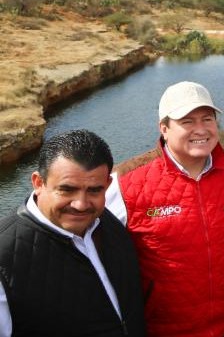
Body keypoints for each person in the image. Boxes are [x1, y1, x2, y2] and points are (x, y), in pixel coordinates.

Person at [106, 81, 224, 337]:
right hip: (164, 329)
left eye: (207, 119)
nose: (200, 129)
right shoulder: (125, 183)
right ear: (164, 128)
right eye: (187, 121)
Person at [0, 130, 145, 337]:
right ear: (38, 183)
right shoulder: (5, 257)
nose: (81, 204)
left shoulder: (107, 221)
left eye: (94, 190)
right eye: (67, 190)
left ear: (107, 185)